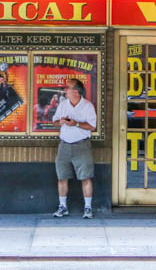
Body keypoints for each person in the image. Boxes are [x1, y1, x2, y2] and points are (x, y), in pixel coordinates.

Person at [51, 78, 97, 219]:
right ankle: (62, 206)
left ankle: (88, 208)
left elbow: (92, 126)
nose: (65, 90)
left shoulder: (87, 106)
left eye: (68, 88)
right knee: (62, 176)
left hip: (81, 145)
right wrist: (61, 122)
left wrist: (76, 124)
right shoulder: (63, 104)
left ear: (76, 91)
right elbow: (54, 122)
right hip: (64, 144)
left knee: (86, 177)